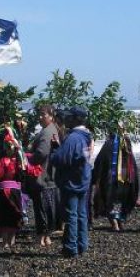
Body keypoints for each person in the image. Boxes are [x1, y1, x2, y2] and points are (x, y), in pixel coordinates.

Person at [51, 107, 93, 257]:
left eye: (69, 117)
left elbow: (61, 159)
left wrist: (55, 151)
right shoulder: (86, 135)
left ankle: (70, 247)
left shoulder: (74, 137)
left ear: (75, 119)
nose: (66, 119)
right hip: (83, 179)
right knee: (81, 214)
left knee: (71, 215)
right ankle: (82, 244)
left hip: (72, 181)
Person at [92, 126, 140, 231]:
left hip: (111, 177)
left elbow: (100, 161)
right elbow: (133, 164)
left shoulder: (108, 144)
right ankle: (120, 221)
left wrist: (95, 177)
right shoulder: (127, 144)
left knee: (111, 199)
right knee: (123, 199)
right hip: (127, 177)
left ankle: (114, 223)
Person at [27, 104, 61, 247]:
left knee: (41, 206)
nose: (40, 117)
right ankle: (45, 236)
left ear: (51, 116)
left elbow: (41, 153)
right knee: (47, 206)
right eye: (39, 114)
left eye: (43, 115)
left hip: (43, 175)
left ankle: (41, 236)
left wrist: (28, 157)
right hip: (49, 176)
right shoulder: (52, 129)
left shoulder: (47, 131)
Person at [0, 129, 25, 248]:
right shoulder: (18, 161)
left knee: (3, 216)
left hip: (3, 191)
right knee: (14, 215)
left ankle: (5, 242)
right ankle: (12, 240)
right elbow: (22, 175)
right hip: (15, 190)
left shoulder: (2, 161)